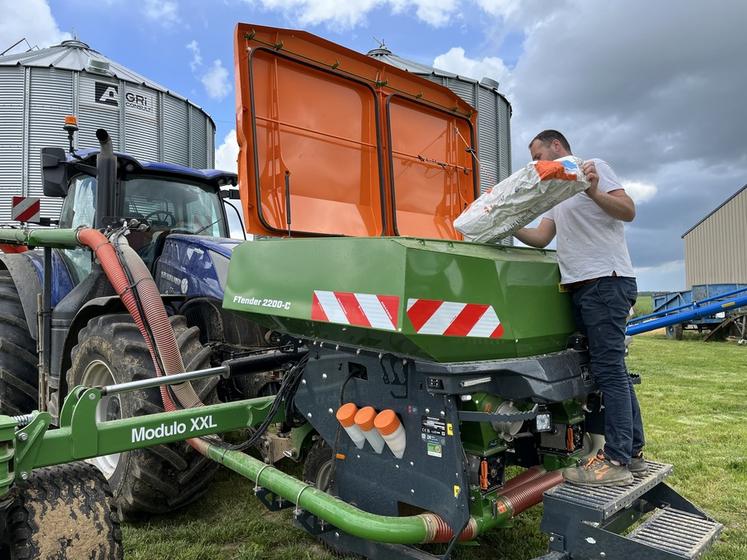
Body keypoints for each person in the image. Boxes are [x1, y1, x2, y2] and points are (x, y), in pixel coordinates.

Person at [514, 130, 645, 486]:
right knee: (612, 367)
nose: (536, 164)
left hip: (605, 280)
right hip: (585, 286)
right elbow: (542, 238)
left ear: (557, 147)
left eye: (539, 155)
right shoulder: (558, 193)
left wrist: (593, 191)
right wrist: (509, 223)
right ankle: (632, 453)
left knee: (609, 371)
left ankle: (615, 460)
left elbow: (628, 210)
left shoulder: (593, 169)